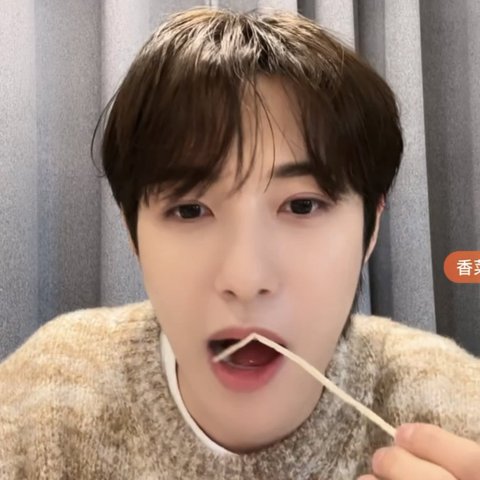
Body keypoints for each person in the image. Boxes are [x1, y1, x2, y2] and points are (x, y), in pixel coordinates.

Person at [1, 6, 479, 479]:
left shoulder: (457, 410)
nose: (246, 280)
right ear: (132, 233)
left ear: (370, 229)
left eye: (302, 206)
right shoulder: (43, 402)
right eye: (190, 210)